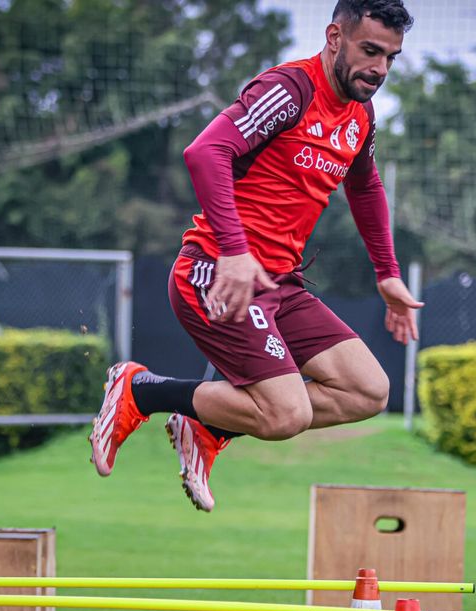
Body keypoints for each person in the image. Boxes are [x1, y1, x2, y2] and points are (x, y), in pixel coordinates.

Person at [89, 0, 420, 512]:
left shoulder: (360, 114)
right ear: (335, 36)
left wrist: (388, 274)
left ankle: (208, 423)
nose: (379, 69)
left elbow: (366, 184)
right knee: (284, 416)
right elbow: (204, 152)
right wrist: (237, 253)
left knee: (368, 391)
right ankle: (142, 390)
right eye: (370, 50)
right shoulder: (289, 91)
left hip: (278, 285)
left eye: (391, 57)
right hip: (214, 272)